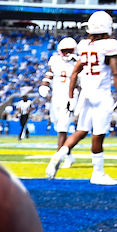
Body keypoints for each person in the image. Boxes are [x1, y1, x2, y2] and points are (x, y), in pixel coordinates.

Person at [45, 11, 117, 186]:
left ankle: (58, 154)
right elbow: (116, 72)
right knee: (98, 134)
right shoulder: (109, 44)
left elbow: (75, 73)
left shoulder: (84, 45)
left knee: (81, 130)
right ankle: (98, 173)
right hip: (101, 94)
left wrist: (71, 96)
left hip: (85, 93)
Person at [39, 36, 80, 167]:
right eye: (65, 50)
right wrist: (44, 85)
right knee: (57, 125)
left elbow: (82, 81)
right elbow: (49, 74)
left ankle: (58, 157)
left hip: (70, 97)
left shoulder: (79, 61)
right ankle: (69, 156)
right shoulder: (55, 60)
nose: (67, 53)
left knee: (63, 128)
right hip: (56, 96)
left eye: (70, 50)